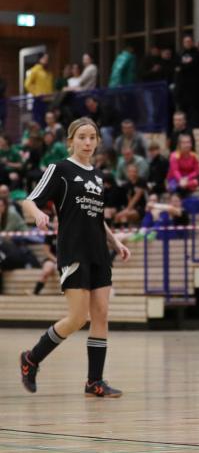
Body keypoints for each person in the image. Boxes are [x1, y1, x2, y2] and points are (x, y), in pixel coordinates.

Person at [18, 118, 131, 397]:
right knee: (77, 318)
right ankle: (32, 358)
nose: (88, 142)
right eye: (82, 137)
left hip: (98, 252)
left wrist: (115, 241)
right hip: (73, 250)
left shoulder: (98, 176)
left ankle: (95, 382)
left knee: (101, 314)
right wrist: (39, 214)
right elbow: (28, 200)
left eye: (92, 137)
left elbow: (97, 216)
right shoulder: (60, 169)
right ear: (71, 140)